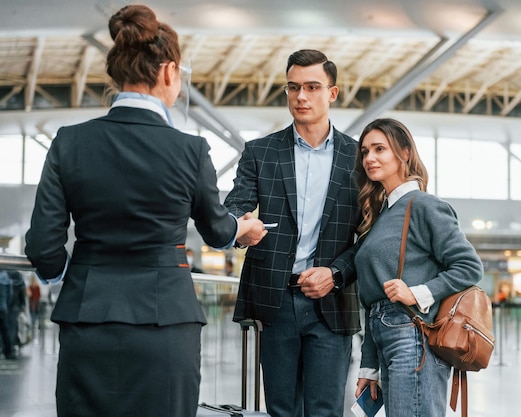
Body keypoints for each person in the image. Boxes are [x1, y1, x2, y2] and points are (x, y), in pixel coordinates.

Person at [24, 5, 266, 417]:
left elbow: (44, 246)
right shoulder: (190, 150)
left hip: (88, 320)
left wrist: (72, 273)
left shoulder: (69, 142)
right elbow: (214, 228)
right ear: (169, 72)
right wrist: (239, 230)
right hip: (166, 324)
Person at [224, 49, 362, 417]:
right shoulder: (260, 152)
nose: (301, 96)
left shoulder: (359, 157)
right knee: (281, 409)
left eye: (312, 87)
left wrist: (335, 274)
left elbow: (369, 236)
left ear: (332, 93)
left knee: (326, 409)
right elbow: (235, 206)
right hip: (276, 299)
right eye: (293, 87)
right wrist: (241, 227)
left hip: (331, 301)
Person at [353, 118, 483, 417]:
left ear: (405, 153)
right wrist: (369, 367)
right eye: (365, 151)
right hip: (385, 334)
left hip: (414, 336)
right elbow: (374, 299)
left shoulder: (424, 205)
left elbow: (469, 266)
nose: (369, 158)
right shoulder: (380, 215)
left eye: (379, 149)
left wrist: (417, 292)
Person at [0, 270, 17, 359]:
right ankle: (8, 352)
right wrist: (7, 305)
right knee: (5, 330)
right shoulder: (5, 276)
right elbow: (10, 294)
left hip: (3, 306)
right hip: (3, 307)